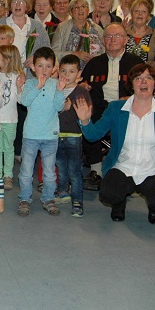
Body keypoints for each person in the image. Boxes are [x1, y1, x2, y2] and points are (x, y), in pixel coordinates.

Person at [73, 63, 155, 225]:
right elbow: (93, 136)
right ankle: (119, 203)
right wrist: (85, 120)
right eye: (138, 79)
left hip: (153, 169)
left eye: (148, 78)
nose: (143, 82)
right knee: (108, 194)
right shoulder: (116, 108)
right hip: (123, 167)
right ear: (131, 84)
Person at [80, 23, 144, 189]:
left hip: (128, 106)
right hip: (99, 107)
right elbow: (82, 86)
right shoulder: (94, 63)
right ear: (103, 41)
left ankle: (126, 169)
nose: (113, 39)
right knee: (87, 118)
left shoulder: (136, 63)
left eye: (117, 36)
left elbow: (147, 88)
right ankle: (96, 170)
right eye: (109, 36)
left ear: (125, 40)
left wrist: (131, 97)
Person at [15, 47, 68, 217]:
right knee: (26, 170)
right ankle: (24, 198)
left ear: (54, 69)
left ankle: (48, 199)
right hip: (31, 135)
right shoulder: (30, 84)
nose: (44, 70)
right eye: (40, 66)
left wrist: (60, 91)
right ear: (33, 67)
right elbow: (24, 101)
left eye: (48, 66)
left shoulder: (56, 84)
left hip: (50, 136)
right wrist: (38, 85)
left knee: (49, 172)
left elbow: (59, 107)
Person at [55, 54, 91, 217]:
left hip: (74, 135)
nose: (66, 75)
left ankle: (77, 201)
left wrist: (75, 110)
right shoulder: (55, 88)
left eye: (71, 71)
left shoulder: (81, 91)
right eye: (63, 71)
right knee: (61, 167)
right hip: (56, 134)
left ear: (78, 74)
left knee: (74, 170)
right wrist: (61, 107)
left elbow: (87, 113)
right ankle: (63, 191)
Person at [0, 45, 25, 191]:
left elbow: (21, 100)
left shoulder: (17, 76)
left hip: (10, 119)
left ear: (7, 59)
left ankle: (8, 175)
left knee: (9, 147)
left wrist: (19, 86)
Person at [0, 0, 50, 67]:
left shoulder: (37, 25)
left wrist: (37, 57)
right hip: (7, 72)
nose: (18, 5)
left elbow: (47, 48)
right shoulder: (1, 23)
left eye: (21, 2)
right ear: (10, 5)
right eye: (14, 2)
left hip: (31, 74)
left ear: (27, 6)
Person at [51, 0, 104, 70]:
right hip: (69, 72)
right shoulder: (62, 28)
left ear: (88, 10)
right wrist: (74, 54)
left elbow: (105, 52)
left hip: (94, 70)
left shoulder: (97, 29)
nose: (80, 10)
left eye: (83, 6)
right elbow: (54, 53)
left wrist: (95, 58)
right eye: (76, 7)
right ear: (71, 12)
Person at [124, 0, 155, 64]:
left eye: (144, 11)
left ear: (148, 16)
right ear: (132, 14)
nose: (140, 14)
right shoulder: (123, 34)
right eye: (136, 11)